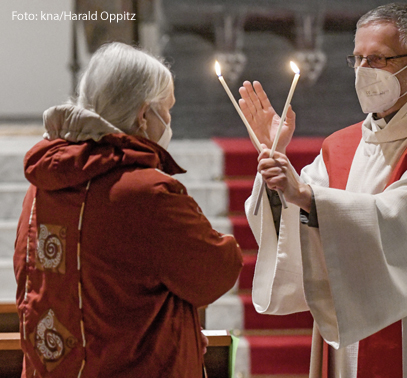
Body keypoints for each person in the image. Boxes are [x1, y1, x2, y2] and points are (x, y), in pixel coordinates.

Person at [239, 3, 407, 378]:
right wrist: (275, 160)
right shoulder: (341, 146)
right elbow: (291, 216)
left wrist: (308, 197)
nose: (363, 71)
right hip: (349, 341)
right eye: (357, 59)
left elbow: (404, 228)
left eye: (379, 59)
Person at [13, 42, 243, 378]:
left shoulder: (43, 185)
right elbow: (214, 271)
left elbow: (28, 277)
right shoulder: (147, 192)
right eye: (166, 110)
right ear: (143, 114)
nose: (168, 121)